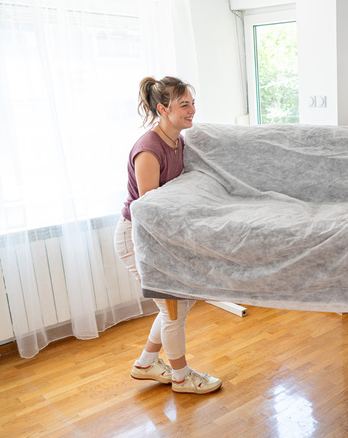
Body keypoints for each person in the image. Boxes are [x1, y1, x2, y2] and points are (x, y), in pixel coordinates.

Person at [113, 76, 221, 394]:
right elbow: (149, 208)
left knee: (177, 305)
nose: (192, 110)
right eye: (184, 104)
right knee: (172, 307)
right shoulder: (148, 149)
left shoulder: (177, 141)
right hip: (137, 235)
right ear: (163, 108)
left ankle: (146, 364)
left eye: (192, 103)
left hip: (157, 235)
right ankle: (181, 376)